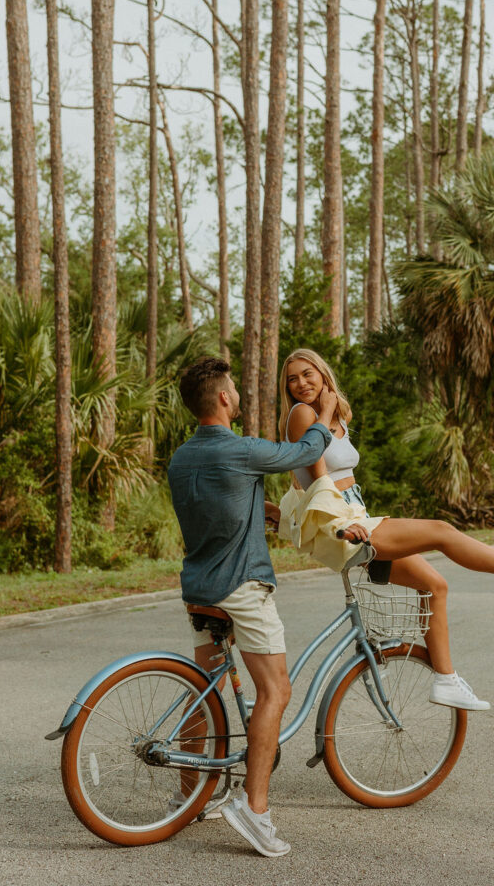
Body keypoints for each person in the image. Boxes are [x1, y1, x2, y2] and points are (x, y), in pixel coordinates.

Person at [278, 348, 494, 711]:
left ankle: (446, 679)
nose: (300, 384)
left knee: (434, 585)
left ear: (323, 373)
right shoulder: (303, 414)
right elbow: (319, 475)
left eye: (307, 374)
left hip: (354, 516)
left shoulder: (331, 415)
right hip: (343, 525)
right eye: (292, 379)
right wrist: (324, 415)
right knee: (441, 530)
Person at [167, 356, 337, 858]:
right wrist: (324, 413)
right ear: (222, 398)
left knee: (207, 688)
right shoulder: (240, 449)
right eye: (235, 389)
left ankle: (188, 793)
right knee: (275, 690)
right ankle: (255, 808)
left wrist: (254, 508)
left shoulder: (182, 457)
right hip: (241, 586)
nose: (238, 395)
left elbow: (212, 506)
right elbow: (302, 450)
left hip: (198, 587)